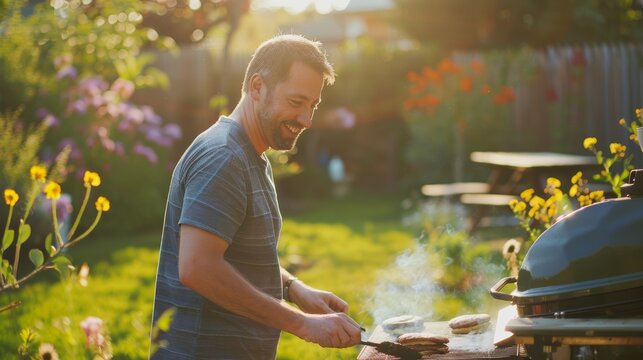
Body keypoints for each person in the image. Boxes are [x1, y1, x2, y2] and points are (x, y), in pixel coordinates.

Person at [150, 34, 363, 359]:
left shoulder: (251, 155)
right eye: (296, 102)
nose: (306, 119)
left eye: (313, 105)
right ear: (257, 86)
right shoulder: (223, 157)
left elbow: (234, 256)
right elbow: (197, 267)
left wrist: (293, 288)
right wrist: (303, 324)